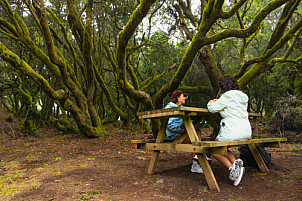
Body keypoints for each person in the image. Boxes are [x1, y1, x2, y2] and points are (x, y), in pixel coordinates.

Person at [207, 75, 252, 186]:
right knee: (221, 147)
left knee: (213, 149)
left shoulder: (227, 96)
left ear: (223, 86)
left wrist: (211, 102)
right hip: (246, 131)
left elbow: (212, 109)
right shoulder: (243, 97)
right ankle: (237, 165)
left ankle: (232, 169)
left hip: (232, 130)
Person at [165, 90, 209, 173]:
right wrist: (181, 130)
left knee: (197, 131)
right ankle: (196, 161)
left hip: (180, 133)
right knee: (194, 141)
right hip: (174, 135)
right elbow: (169, 125)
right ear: (178, 98)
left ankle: (197, 155)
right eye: (183, 96)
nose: (185, 98)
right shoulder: (170, 108)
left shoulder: (179, 108)